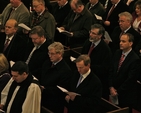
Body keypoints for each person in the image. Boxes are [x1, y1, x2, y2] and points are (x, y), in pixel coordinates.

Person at [109, 33, 141, 113]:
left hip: (126, 94)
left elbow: (131, 79)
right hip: (113, 89)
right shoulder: (117, 53)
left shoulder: (135, 59)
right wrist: (111, 86)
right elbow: (111, 70)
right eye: (120, 41)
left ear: (130, 43)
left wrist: (117, 91)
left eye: (123, 41)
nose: (120, 43)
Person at [82, 24, 112, 99]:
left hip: (97, 79)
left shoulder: (105, 50)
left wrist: (88, 67)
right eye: (90, 32)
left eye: (93, 33)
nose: (90, 35)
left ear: (100, 36)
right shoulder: (87, 42)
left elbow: (104, 68)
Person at [40, 42, 72, 113]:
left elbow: (61, 90)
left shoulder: (66, 70)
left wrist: (44, 89)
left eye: (52, 54)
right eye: (49, 53)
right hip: (42, 97)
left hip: (53, 103)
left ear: (60, 54)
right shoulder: (47, 63)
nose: (50, 56)